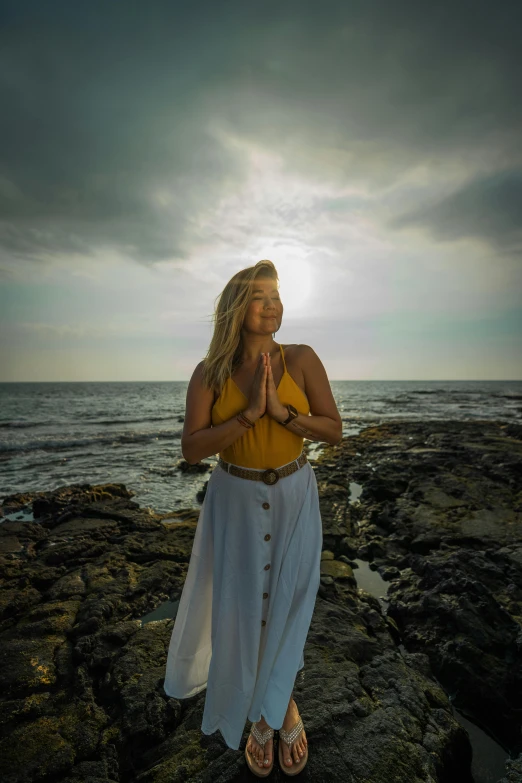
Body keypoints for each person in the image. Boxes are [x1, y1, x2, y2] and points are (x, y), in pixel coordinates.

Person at [163, 259, 342, 776]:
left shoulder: (303, 358)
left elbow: (333, 430)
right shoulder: (209, 373)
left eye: (276, 295)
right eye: (260, 296)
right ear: (237, 308)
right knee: (242, 607)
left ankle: (271, 710)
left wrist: (283, 414)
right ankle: (276, 709)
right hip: (235, 499)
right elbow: (193, 448)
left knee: (288, 604)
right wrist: (248, 416)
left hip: (294, 493)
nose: (272, 305)